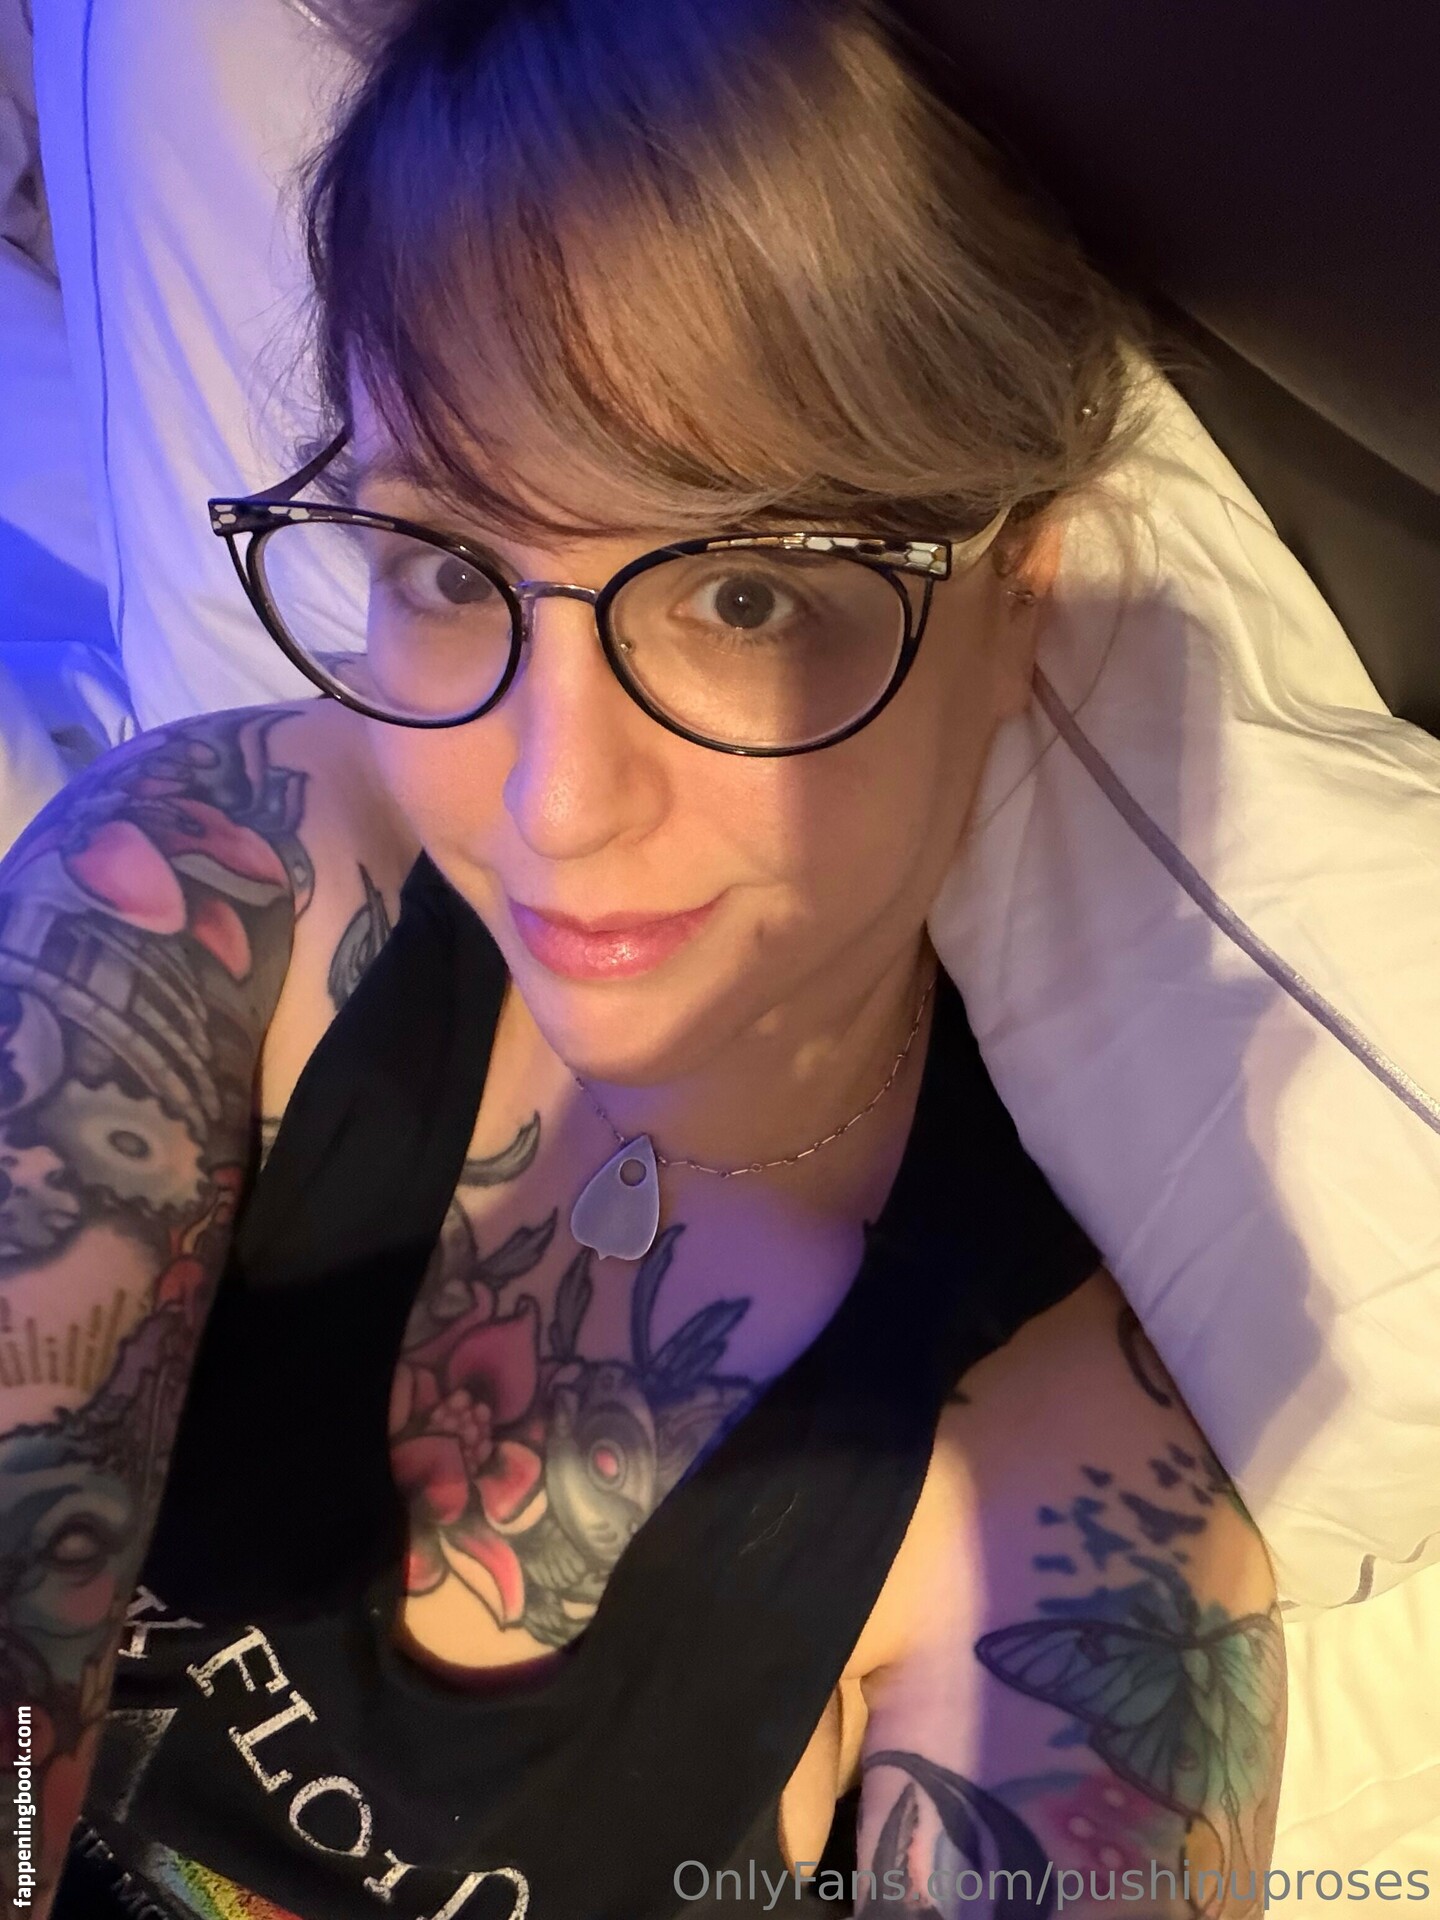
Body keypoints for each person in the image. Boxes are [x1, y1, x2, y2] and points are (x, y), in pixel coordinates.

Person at [0, 1, 1284, 1915]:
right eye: (452, 569)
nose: (555, 803)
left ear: (1018, 599)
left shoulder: (1054, 1505)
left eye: (746, 593)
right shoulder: (214, 883)